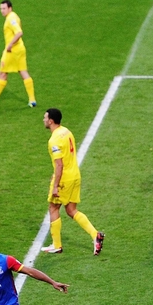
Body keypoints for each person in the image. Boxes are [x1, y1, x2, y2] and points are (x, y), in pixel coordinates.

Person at [41, 108, 105, 255]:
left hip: (64, 179)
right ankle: (95, 235)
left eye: (45, 118)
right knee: (71, 210)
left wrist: (56, 185)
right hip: (75, 174)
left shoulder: (54, 140)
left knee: (53, 208)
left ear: (51, 120)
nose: (44, 120)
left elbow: (59, 164)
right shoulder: (66, 131)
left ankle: (56, 245)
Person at [0, 0, 37, 109]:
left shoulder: (10, 19)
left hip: (12, 51)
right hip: (20, 49)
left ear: (10, 8)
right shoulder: (14, 16)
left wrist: (10, 45)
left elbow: (19, 32)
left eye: (4, 8)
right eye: (1, 9)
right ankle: (32, 100)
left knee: (2, 74)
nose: (2, 11)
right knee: (23, 72)